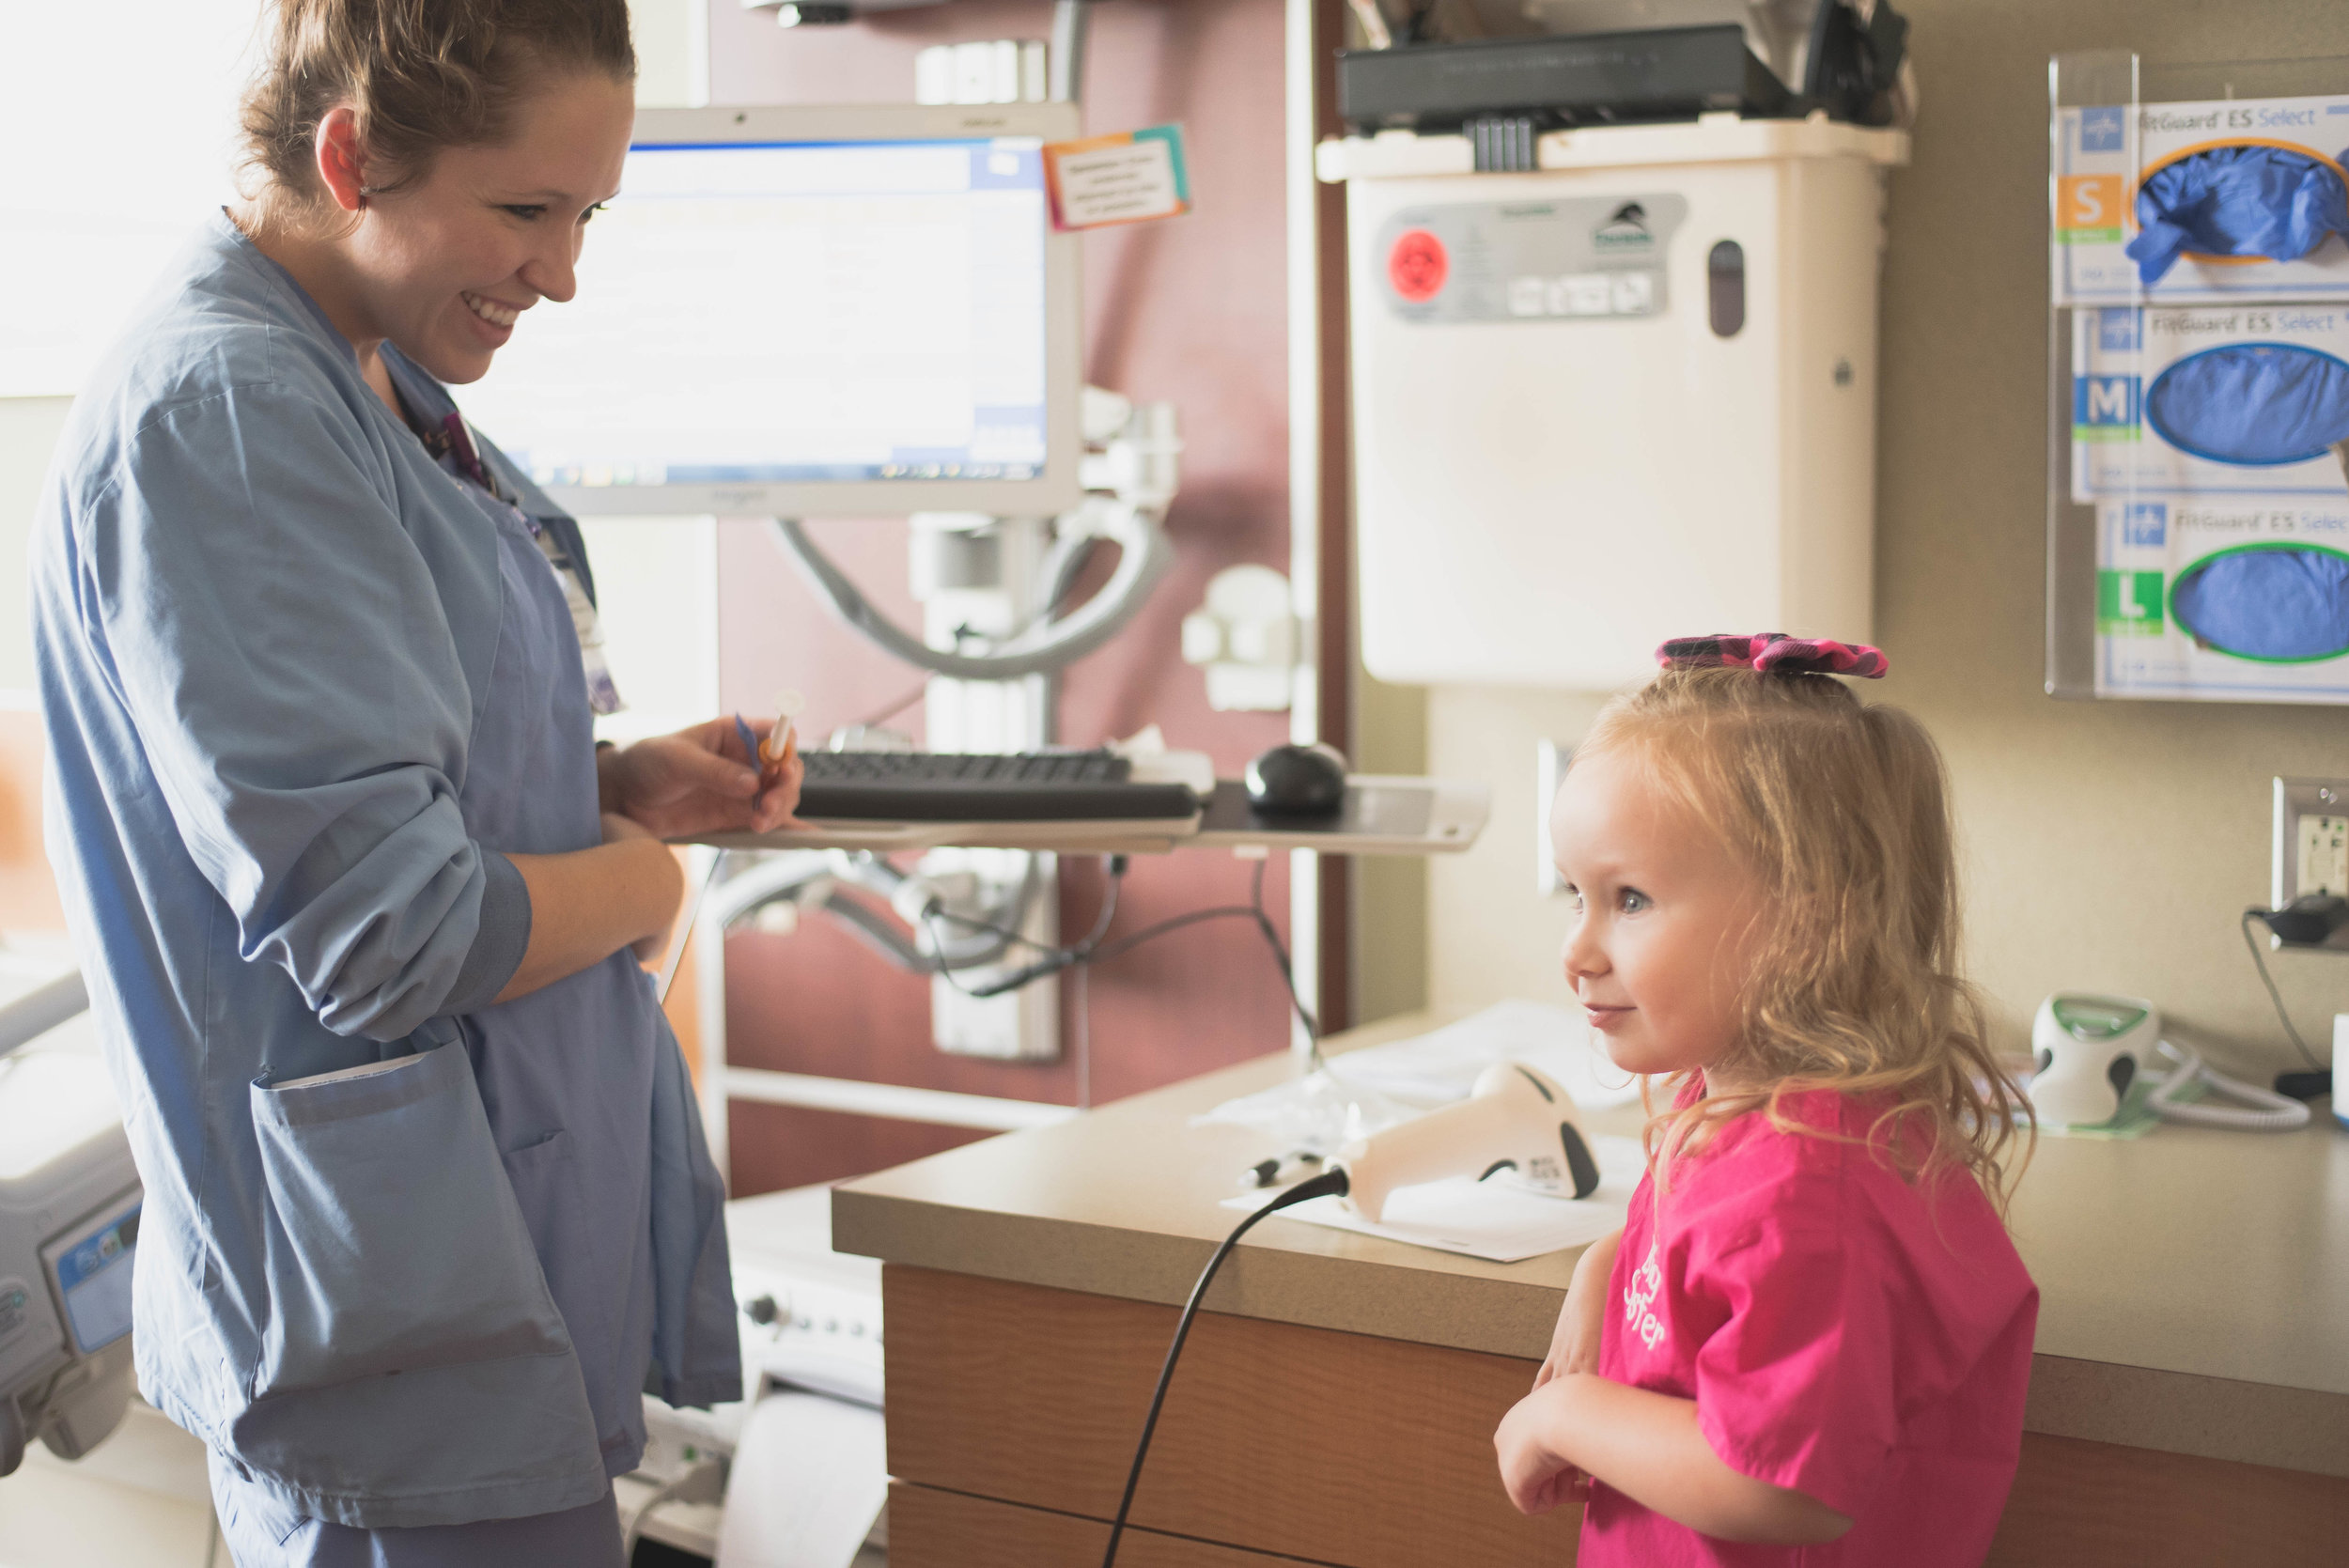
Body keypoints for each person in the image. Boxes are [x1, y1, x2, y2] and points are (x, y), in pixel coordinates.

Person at [31, 2, 802, 1560]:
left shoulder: (367, 378)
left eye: (587, 214)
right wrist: (652, 874)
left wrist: (609, 781)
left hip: (470, 1270)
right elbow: (393, 930)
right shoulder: (230, 415)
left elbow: (393, 763)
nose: (564, 271)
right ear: (351, 155)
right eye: (526, 208)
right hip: (387, 1311)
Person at [1492, 634, 2038, 1565]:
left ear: (1806, 917)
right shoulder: (1741, 1095)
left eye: (1627, 899)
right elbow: (1713, 1264)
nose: (1576, 949)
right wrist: (1603, 1268)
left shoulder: (1809, 1183)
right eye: (1574, 895)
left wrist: (1565, 1413)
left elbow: (1778, 1486)